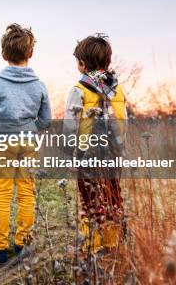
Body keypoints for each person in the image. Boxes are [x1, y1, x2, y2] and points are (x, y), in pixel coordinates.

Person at [0, 24, 51, 264]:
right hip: (28, 142)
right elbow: (46, 120)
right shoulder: (39, 84)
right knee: (27, 192)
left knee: (2, 194)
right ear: (30, 54)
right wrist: (30, 130)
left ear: (4, 55)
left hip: (2, 142)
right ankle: (22, 247)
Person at [63, 33, 127, 254]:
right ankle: (111, 241)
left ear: (82, 64)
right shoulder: (118, 89)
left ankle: (92, 244)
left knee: (90, 198)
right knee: (112, 196)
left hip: (87, 155)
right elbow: (123, 121)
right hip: (113, 154)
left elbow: (70, 125)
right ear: (107, 62)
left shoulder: (78, 90)